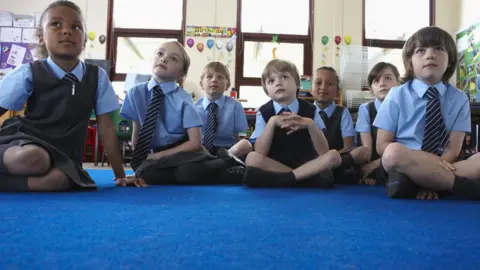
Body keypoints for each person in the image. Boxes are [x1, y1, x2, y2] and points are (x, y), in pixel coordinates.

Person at [0, 0, 132, 191]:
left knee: (62, 180)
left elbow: (106, 127)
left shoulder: (97, 77)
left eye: (76, 27)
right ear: (40, 37)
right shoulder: (29, 72)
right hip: (24, 143)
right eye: (56, 24)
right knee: (34, 158)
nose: (67, 31)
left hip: (64, 156)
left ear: (84, 41)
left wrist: (120, 175)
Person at [374, 26, 480, 200]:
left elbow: (453, 148)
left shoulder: (460, 99)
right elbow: (382, 145)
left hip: (445, 162)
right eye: (420, 51)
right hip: (404, 161)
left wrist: (434, 166)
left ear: (450, 59)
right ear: (410, 63)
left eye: (438, 49)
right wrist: (422, 160)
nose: (430, 55)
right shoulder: (396, 94)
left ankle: (423, 183)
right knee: (393, 152)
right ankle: (457, 186)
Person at [117, 42, 242, 187]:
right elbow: (137, 131)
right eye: (160, 53)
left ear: (181, 75)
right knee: (148, 173)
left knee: (186, 172)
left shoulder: (184, 98)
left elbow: (195, 143)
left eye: (173, 59)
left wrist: (156, 157)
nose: (164, 59)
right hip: (159, 154)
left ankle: (225, 163)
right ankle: (221, 170)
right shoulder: (135, 93)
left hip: (185, 152)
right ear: (152, 58)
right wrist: (138, 167)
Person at [242, 59, 341, 188]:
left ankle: (287, 179)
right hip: (275, 164)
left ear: (297, 84)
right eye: (271, 81)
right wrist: (271, 123)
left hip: (307, 164)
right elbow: (260, 151)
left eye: (284, 77)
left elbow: (324, 151)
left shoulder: (311, 110)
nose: (278, 83)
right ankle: (300, 179)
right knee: (252, 158)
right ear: (266, 90)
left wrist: (310, 124)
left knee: (334, 156)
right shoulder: (264, 112)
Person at [354, 62, 400, 185]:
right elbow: (367, 149)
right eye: (376, 81)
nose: (382, 83)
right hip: (374, 165)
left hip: (399, 162)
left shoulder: (406, 109)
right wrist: (367, 169)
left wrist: (374, 165)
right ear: (371, 88)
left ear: (398, 83)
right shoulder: (366, 109)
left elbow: (406, 146)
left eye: (388, 78)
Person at [195, 61, 252, 159]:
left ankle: (219, 159)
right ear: (201, 84)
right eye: (209, 76)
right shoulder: (194, 107)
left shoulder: (235, 106)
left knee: (246, 144)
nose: (214, 80)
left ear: (227, 85)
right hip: (202, 148)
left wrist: (243, 139)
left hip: (229, 150)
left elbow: (244, 133)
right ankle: (216, 161)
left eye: (220, 77)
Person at [310, 66, 356, 184]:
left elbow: (348, 146)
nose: (323, 87)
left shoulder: (343, 112)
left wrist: (328, 161)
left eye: (329, 84)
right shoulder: (305, 111)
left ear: (338, 91)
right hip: (310, 162)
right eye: (318, 83)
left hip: (337, 160)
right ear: (311, 88)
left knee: (358, 153)